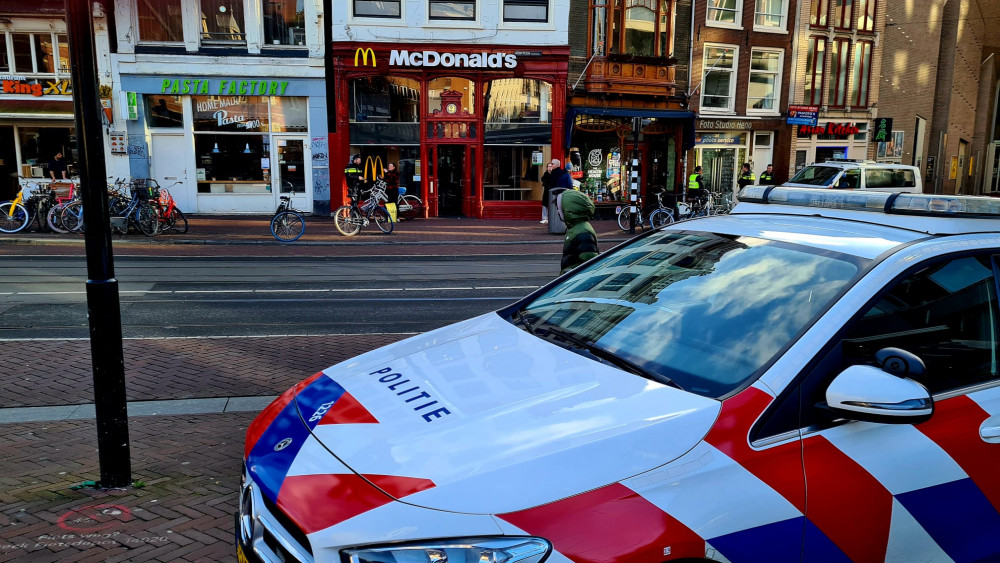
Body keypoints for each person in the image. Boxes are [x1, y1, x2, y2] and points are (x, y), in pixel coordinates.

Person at [558, 189, 599, 274]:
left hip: (575, 280)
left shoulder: (582, 232)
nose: (558, 211)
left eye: (559, 208)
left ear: (569, 210)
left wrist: (570, 273)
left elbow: (589, 261)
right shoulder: (575, 228)